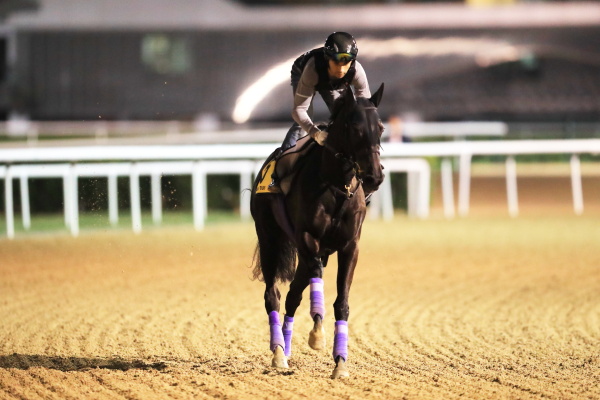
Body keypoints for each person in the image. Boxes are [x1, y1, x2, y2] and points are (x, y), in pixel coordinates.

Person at [280, 31, 372, 151]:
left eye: (346, 63)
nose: (341, 69)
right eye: (336, 62)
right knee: (302, 124)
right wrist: (315, 133)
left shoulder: (357, 70)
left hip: (329, 82)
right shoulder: (312, 70)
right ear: (327, 58)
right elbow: (299, 110)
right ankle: (283, 157)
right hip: (303, 73)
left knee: (343, 118)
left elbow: (366, 107)